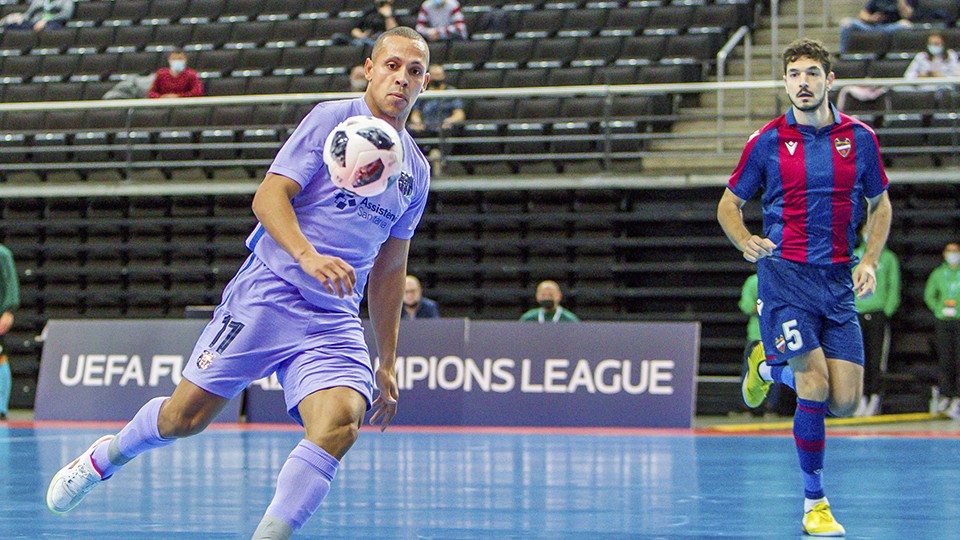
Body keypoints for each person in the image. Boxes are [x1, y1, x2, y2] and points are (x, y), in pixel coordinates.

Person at [45, 27, 432, 540]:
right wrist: (308, 255)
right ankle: (102, 459)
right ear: (368, 68)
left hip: (333, 316)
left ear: (425, 84)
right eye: (392, 65)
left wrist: (387, 359)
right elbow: (268, 198)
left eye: (415, 71)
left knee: (340, 421)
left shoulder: (417, 173)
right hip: (269, 291)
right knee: (185, 417)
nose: (401, 78)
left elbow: (390, 268)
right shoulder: (330, 119)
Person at [717, 38, 892, 537]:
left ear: (829, 80)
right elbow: (728, 205)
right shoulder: (767, 141)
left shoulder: (860, 139)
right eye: (794, 74)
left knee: (845, 402)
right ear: (786, 81)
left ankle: (767, 366)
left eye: (812, 73)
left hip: (837, 282)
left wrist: (872, 260)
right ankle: (816, 503)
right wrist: (746, 239)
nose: (803, 82)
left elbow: (881, 205)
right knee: (814, 384)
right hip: (785, 278)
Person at [853, 226, 901, 417]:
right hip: (856, 314)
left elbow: (893, 286)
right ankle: (859, 397)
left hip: (877, 313)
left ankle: (874, 396)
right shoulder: (855, 256)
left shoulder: (888, 258)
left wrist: (885, 310)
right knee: (858, 358)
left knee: (875, 358)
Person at [923, 242, 960, 419]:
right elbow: (929, 295)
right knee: (946, 359)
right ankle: (946, 395)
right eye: (949, 251)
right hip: (943, 321)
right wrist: (939, 309)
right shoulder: (939, 273)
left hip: (958, 320)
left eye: (955, 251)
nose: (952, 254)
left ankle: (958, 398)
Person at [407, 65, 464, 177]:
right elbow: (416, 113)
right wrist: (417, 122)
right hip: (426, 128)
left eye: (439, 75)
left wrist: (450, 120)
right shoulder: (422, 92)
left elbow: (459, 114)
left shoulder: (451, 92)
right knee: (411, 131)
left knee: (445, 133)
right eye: (435, 75)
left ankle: (437, 161)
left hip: (444, 128)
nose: (437, 78)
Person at [838, 0, 914, 54]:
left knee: (905, 25)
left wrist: (901, 2)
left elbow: (907, 15)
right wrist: (871, 18)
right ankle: (843, 54)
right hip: (872, 27)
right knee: (847, 23)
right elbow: (862, 14)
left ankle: (894, 55)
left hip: (890, 27)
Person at [0, 243, 19, 421]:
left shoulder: (3, 254)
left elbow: (10, 284)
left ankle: (1, 408)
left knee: (0, 356)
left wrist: (8, 311)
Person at [333, 0, 398, 47]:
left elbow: (393, 32)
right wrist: (362, 35)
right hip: (365, 39)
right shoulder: (369, 11)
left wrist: (388, 16)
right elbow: (355, 29)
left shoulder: (394, 12)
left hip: (381, 42)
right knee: (337, 38)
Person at [0, 0, 74, 31]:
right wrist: (19, 17)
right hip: (34, 23)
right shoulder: (38, 1)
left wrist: (46, 21)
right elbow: (28, 15)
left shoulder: (66, 1)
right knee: (9, 26)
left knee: (49, 30)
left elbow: (66, 15)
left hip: (53, 23)